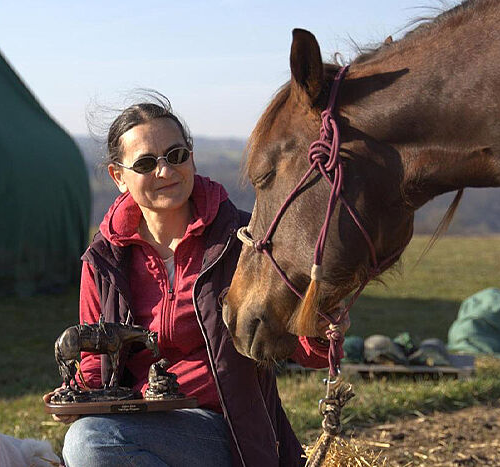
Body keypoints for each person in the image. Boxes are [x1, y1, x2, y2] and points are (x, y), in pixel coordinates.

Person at [47, 95, 341, 467]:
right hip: (139, 422)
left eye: (176, 155)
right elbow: (94, 363)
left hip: (228, 429)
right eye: (146, 163)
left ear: (192, 155)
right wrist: (75, 396)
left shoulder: (245, 240)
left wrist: (322, 326)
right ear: (118, 177)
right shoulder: (104, 260)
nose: (166, 171)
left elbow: (300, 346)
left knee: (89, 444)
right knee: (90, 439)